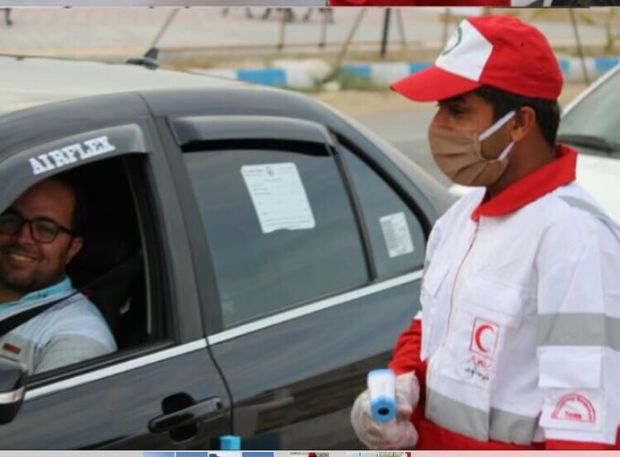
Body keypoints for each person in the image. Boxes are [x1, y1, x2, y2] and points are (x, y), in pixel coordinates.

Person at [351, 15, 620, 449]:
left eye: (457, 110)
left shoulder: (574, 238)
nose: (438, 126)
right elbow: (431, 326)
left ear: (520, 123)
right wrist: (400, 389)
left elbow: (584, 424)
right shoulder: (460, 219)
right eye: (438, 109)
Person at [0, 177, 116, 375]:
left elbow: (45, 407)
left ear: (73, 248)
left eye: (45, 229)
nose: (22, 238)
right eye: (11, 220)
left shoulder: (78, 337)